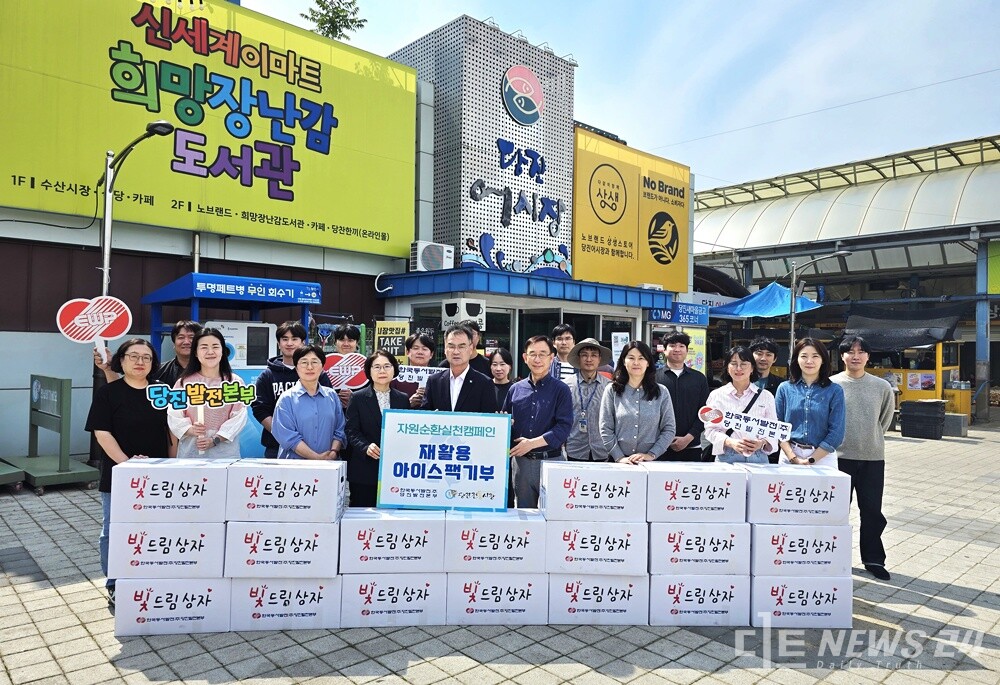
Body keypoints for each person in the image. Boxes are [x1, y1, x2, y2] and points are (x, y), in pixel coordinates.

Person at [85, 339, 176, 608]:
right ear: (120, 360)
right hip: (120, 473)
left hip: (158, 475)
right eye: (133, 356)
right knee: (114, 528)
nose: (140, 362)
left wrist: (172, 465)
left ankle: (148, 576)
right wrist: (127, 464)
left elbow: (172, 431)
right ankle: (115, 583)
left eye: (146, 358)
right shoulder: (109, 393)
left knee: (154, 528)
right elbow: (102, 432)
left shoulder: (162, 392)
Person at [832, 336, 896, 581]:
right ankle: (835, 557)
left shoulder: (881, 387)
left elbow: (885, 421)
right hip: (838, 459)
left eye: (861, 351)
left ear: (868, 356)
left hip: (872, 457)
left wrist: (870, 437)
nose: (855, 356)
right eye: (850, 351)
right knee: (837, 512)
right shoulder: (831, 384)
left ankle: (873, 559)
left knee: (872, 511)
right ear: (842, 356)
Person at [502, 335, 574, 507]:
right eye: (532, 354)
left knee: (555, 515)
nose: (537, 359)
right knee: (525, 517)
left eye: (543, 354)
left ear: (551, 358)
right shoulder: (515, 389)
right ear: (525, 358)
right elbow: (506, 423)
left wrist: (532, 443)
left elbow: (564, 428)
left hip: (552, 462)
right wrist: (502, 423)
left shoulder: (561, 390)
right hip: (521, 464)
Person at [252, 320, 332, 458]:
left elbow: (327, 407)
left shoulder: (318, 374)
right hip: (275, 446)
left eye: (294, 339)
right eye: (285, 339)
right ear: (278, 344)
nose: (289, 343)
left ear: (302, 343)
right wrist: (283, 434)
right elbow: (260, 409)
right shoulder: (267, 376)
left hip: (314, 447)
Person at [167, 328, 248, 459]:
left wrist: (215, 439)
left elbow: (239, 417)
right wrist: (190, 429)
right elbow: (174, 415)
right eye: (204, 347)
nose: (210, 352)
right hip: (191, 453)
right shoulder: (184, 383)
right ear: (196, 352)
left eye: (215, 346)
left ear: (223, 350)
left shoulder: (234, 382)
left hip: (225, 455)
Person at [345, 351, 409, 506]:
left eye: (387, 366)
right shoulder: (357, 397)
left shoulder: (402, 398)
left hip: (394, 471)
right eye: (377, 367)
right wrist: (366, 446)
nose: (382, 371)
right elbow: (351, 430)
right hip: (364, 469)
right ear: (369, 371)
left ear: (394, 369)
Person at [600, 341, 676, 465]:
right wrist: (619, 457)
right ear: (624, 361)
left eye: (641, 358)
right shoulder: (612, 390)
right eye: (631, 358)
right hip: (619, 462)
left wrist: (651, 454)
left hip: (652, 463)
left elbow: (669, 428)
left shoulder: (661, 392)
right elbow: (605, 427)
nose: (636, 363)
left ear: (648, 363)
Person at [775, 338, 846, 469]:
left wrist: (811, 460)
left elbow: (836, 432)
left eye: (815, 356)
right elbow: (778, 427)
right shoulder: (784, 389)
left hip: (823, 458)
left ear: (823, 359)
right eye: (804, 356)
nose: (809, 361)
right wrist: (793, 457)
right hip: (789, 455)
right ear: (796, 359)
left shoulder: (835, 391)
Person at [703, 346, 779, 464]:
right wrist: (730, 442)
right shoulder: (716, 396)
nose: (738, 368)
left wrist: (761, 443)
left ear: (752, 368)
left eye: (744, 364)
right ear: (727, 368)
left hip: (758, 458)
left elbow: (773, 430)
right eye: (733, 363)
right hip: (727, 456)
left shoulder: (766, 396)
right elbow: (710, 430)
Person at [271, 345, 346, 460]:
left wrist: (333, 452)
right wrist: (316, 458)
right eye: (304, 362)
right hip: (296, 467)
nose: (309, 367)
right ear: (296, 367)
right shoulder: (286, 399)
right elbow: (287, 436)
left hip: (329, 465)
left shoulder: (332, 396)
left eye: (314, 362)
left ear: (322, 367)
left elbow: (340, 429)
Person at [94, 320, 201, 387]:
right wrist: (108, 369)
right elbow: (125, 391)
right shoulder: (158, 371)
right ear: (174, 343)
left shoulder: (212, 370)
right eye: (181, 337)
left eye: (191, 337)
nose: (186, 342)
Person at [654, 332, 709, 462]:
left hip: (692, 446)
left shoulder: (699, 378)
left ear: (687, 350)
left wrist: (688, 437)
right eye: (672, 345)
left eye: (681, 346)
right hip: (658, 447)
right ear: (664, 350)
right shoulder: (653, 378)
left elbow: (706, 412)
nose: (677, 349)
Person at [421, 325, 498, 413]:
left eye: (461, 347)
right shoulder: (434, 381)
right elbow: (425, 414)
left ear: (470, 349)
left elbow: (490, 420)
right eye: (451, 346)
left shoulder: (484, 383)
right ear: (445, 349)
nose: (456, 351)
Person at [563, 338, 613, 462]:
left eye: (594, 355)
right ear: (578, 358)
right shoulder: (566, 386)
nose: (589, 359)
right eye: (584, 355)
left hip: (602, 450)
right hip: (574, 450)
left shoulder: (610, 386)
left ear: (599, 359)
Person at [750, 336, 785, 463]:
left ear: (774, 359)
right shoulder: (740, 382)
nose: (763, 358)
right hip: (743, 443)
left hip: (771, 447)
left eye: (769, 354)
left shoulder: (782, 386)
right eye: (759, 354)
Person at [392, 332, 435, 408]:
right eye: (415, 348)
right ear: (407, 352)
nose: (420, 352)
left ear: (431, 354)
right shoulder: (396, 378)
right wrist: (407, 404)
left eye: (424, 349)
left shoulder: (438, 379)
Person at [332, 323, 363, 408]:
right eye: (342, 340)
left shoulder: (365, 365)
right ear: (335, 341)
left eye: (350, 340)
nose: (346, 344)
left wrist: (355, 397)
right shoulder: (325, 363)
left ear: (357, 342)